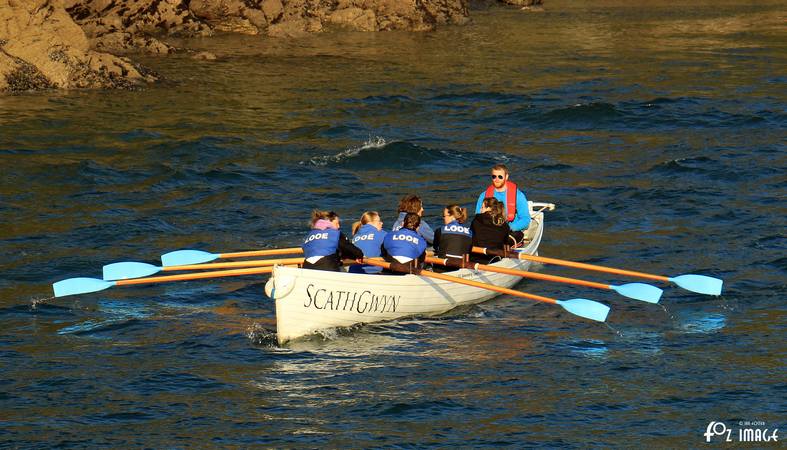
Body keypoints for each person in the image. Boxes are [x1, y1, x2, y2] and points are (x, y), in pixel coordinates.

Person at [475, 164, 530, 245]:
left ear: (506, 177)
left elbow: (525, 219)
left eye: (500, 177)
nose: (497, 179)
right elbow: (477, 217)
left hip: (509, 232)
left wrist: (510, 228)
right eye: (494, 176)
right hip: (488, 232)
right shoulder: (483, 196)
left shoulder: (518, 196)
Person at [470, 197, 512, 264]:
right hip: (495, 259)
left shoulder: (476, 220)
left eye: (482, 207)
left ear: (489, 208)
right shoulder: (504, 225)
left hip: (475, 258)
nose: (480, 210)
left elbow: (471, 238)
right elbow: (506, 244)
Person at [432, 204, 473, 272]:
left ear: (452, 216)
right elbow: (469, 250)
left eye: (444, 216)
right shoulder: (470, 232)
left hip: (443, 268)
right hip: (461, 268)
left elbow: (435, 247)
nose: (443, 218)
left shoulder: (440, 230)